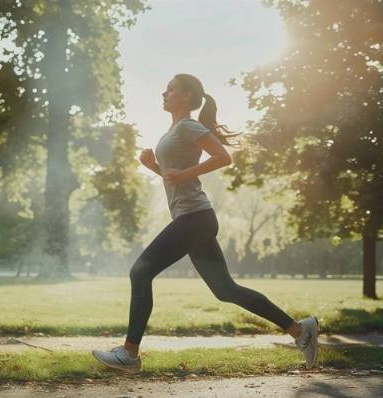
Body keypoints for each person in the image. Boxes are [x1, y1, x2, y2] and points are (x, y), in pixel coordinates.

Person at [92, 73, 319, 374]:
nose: (164, 92)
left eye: (170, 88)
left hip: (194, 218)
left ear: (186, 95)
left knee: (140, 271)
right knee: (225, 289)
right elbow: (176, 176)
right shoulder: (176, 128)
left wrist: (182, 174)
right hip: (195, 218)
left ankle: (129, 353)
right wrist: (155, 168)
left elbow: (223, 157)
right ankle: (300, 331)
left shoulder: (188, 125)